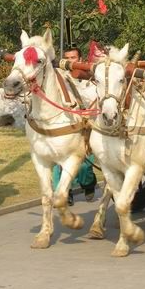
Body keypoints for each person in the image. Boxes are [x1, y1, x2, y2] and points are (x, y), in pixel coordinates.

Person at [54, 44, 98, 204]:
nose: (70, 61)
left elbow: (96, 103)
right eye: (67, 58)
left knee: (84, 166)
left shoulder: (90, 80)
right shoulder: (57, 80)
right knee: (60, 163)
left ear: (80, 60)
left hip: (85, 127)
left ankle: (89, 184)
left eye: (73, 58)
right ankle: (65, 193)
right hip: (64, 127)